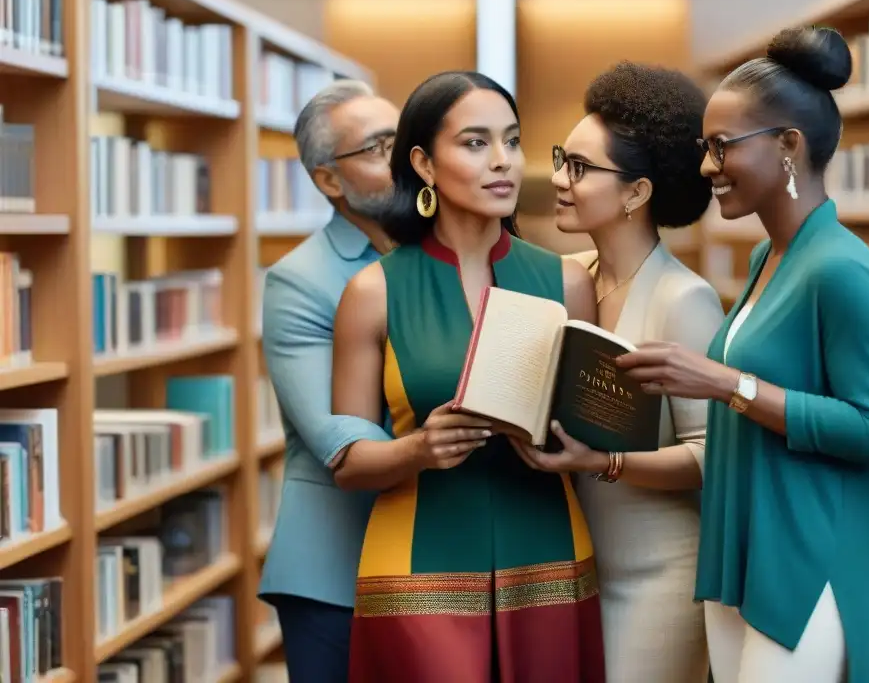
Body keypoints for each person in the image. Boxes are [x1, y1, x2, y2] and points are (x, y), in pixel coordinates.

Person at [614, 26, 869, 683]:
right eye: (705, 148)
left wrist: (727, 382)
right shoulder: (769, 257)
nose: (707, 167)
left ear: (789, 145)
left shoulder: (841, 270)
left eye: (722, 146)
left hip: (811, 565)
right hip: (751, 555)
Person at [330, 71, 606, 683]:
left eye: (512, 140)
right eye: (476, 143)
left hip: (550, 554)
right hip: (415, 572)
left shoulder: (568, 283)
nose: (503, 161)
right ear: (424, 163)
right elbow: (346, 463)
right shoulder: (372, 292)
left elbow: (591, 436)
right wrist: (418, 449)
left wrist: (578, 450)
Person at [512, 61, 724, 683]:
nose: (557, 179)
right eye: (560, 158)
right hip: (576, 564)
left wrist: (604, 464)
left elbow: (712, 455)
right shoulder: (570, 275)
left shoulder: (684, 300)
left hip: (659, 574)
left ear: (637, 193)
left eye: (580, 168)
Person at [257, 79, 470, 682]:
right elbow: (335, 439)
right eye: (379, 147)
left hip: (436, 550)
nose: (401, 160)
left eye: (404, 141)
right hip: (335, 566)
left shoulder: (450, 253)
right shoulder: (299, 282)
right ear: (330, 180)